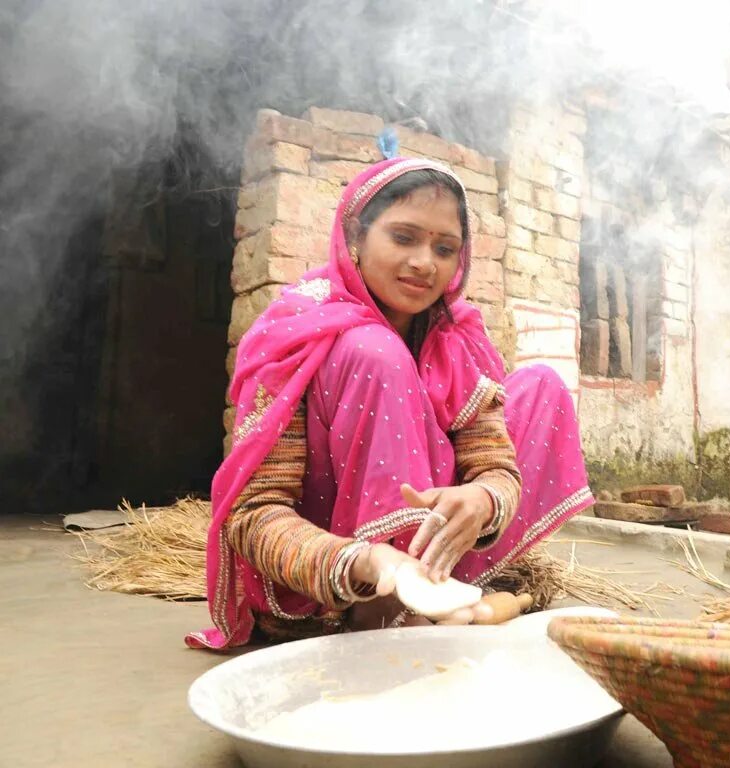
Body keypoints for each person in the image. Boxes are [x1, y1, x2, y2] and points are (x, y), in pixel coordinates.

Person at [187, 156, 595, 650]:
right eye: (403, 238)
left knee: (541, 387)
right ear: (355, 236)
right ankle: (380, 610)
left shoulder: (455, 339)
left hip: (433, 561)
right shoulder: (301, 331)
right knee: (375, 350)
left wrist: (483, 499)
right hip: (329, 580)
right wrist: (364, 562)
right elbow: (254, 514)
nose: (425, 262)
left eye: (445, 248)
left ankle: (434, 593)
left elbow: (496, 465)